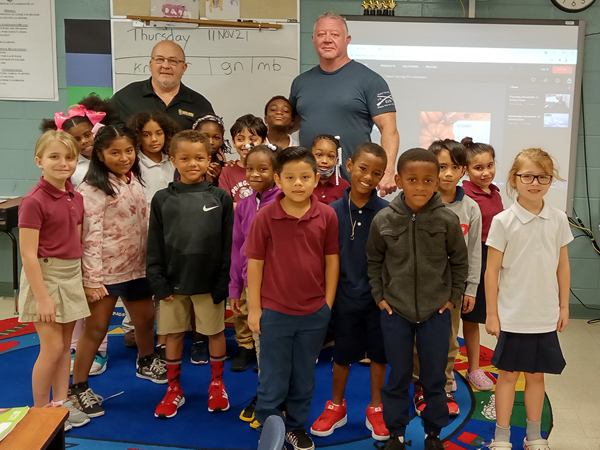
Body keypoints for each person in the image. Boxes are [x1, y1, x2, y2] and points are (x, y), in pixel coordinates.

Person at [366, 148, 469, 450]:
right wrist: (380, 297)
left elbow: (459, 263)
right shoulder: (384, 219)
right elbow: (373, 261)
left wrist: (452, 298)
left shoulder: (447, 220)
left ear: (438, 182)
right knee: (397, 376)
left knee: (434, 378)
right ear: (398, 180)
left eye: (428, 180)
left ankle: (433, 434)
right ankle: (396, 434)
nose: (420, 186)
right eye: (412, 179)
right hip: (395, 312)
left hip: (436, 313)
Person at [246, 147, 340, 450]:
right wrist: (255, 309)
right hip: (274, 312)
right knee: (273, 376)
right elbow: (255, 264)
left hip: (314, 313)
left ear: (316, 179)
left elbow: (332, 260)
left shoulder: (326, 215)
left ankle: (296, 426)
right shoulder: (266, 216)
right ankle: (270, 424)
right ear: (278, 180)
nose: (298, 183)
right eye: (290, 177)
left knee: (303, 375)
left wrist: (327, 303)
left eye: (305, 177)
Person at [70, 125, 166, 419]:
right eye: (115, 152)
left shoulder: (133, 179)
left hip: (137, 266)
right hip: (106, 273)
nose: (124, 157)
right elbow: (91, 237)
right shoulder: (92, 189)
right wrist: (92, 280)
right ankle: (79, 387)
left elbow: (145, 218)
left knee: (146, 319)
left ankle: (146, 359)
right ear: (100, 154)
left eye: (128, 151)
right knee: (96, 329)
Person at [485, 148, 572, 450]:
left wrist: (563, 305)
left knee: (536, 377)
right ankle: (501, 436)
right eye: (527, 176)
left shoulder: (559, 219)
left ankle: (534, 436)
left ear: (551, 180)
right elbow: (492, 271)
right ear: (514, 179)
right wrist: (493, 314)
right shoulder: (503, 221)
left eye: (543, 176)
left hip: (544, 315)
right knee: (507, 377)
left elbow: (563, 265)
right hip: (512, 315)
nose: (535, 182)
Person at [147, 130, 233, 418]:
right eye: (184, 158)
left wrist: (223, 280)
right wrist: (158, 281)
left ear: (209, 159)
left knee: (215, 332)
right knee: (172, 335)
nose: (192, 163)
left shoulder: (221, 197)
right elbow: (154, 244)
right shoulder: (161, 199)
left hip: (209, 283)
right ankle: (173, 390)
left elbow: (228, 244)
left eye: (199, 158)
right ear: (173, 159)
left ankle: (217, 385)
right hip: (172, 283)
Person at [311, 143, 389, 441]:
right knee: (341, 356)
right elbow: (323, 258)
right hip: (343, 298)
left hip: (378, 300)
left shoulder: (386, 211)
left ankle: (376, 408)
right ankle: (336, 406)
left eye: (377, 173)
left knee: (379, 356)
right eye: (363, 168)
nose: (368, 177)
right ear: (350, 165)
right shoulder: (331, 212)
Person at [17, 131, 91, 431]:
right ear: (39, 161)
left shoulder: (76, 196)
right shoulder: (33, 201)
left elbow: (74, 240)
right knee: (49, 348)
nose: (63, 163)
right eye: (54, 157)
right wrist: (43, 297)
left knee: (63, 348)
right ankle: (40, 411)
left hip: (70, 274)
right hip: (45, 277)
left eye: (69, 157)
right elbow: (28, 255)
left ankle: (60, 403)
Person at [40, 95, 114, 376]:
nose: (85, 141)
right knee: (76, 296)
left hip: (102, 241)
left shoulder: (106, 161)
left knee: (97, 297)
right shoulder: (70, 168)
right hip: (73, 241)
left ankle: (100, 349)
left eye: (88, 134)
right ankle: (74, 346)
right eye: (77, 138)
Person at [289, 12, 399, 194]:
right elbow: (287, 126)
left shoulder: (370, 80)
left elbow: (389, 130)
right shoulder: (300, 82)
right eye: (321, 34)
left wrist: (388, 171)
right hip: (308, 187)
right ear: (313, 39)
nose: (327, 39)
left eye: (334, 34)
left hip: (355, 186)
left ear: (347, 39)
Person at [412, 140, 482, 417]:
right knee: (419, 340)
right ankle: (420, 386)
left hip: (451, 290)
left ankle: (445, 385)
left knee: (450, 339)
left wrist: (471, 288)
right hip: (417, 288)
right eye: (441, 167)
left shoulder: (470, 209)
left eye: (455, 167)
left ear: (464, 170)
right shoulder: (418, 202)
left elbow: (475, 252)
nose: (448, 174)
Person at [229, 145, 280, 422]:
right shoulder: (245, 205)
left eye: (263, 169)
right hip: (253, 288)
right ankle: (266, 393)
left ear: (276, 172)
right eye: (250, 168)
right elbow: (238, 247)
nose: (255, 174)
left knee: (279, 348)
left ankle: (279, 396)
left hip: (280, 289)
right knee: (261, 346)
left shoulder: (284, 202)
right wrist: (235, 287)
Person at [461, 137, 503, 392]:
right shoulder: (465, 195)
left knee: (489, 315)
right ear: (465, 170)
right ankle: (466, 368)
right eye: (478, 168)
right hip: (475, 260)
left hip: (496, 259)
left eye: (490, 165)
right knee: (471, 317)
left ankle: (481, 366)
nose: (486, 172)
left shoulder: (494, 191)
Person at [111, 40, 214, 129]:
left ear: (184, 68)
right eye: (159, 59)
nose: (165, 65)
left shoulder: (201, 106)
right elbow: (103, 139)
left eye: (173, 61)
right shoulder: (124, 98)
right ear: (151, 65)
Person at [127, 111, 181, 207]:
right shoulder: (133, 163)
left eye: (159, 133)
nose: (154, 139)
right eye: (146, 135)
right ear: (138, 137)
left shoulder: (173, 160)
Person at [220, 114, 268, 210]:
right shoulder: (227, 172)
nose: (246, 144)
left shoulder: (269, 170)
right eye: (240, 139)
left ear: (263, 141)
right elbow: (225, 205)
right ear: (233, 141)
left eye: (252, 139)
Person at [192, 114, 233, 184]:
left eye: (216, 138)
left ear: (222, 141)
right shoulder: (186, 166)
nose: (211, 142)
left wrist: (221, 176)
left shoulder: (226, 168)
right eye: (205, 136)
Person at [311, 135, 350, 205]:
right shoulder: (304, 183)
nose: (324, 161)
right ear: (311, 157)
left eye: (330, 156)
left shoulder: (344, 186)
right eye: (319, 155)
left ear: (337, 161)